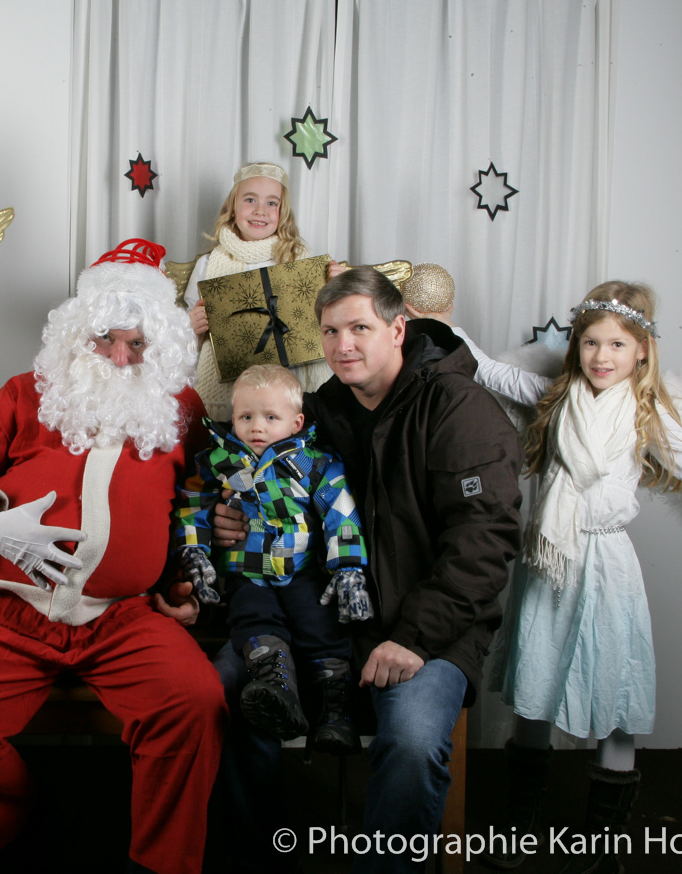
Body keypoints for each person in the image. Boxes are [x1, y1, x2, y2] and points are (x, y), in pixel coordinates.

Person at [427, 282, 682, 873]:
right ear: (576, 346)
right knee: (535, 690)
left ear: (642, 350)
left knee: (614, 699)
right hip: (549, 561)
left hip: (606, 566)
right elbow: (486, 369)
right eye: (590, 342)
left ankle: (602, 845)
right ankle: (521, 825)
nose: (601, 356)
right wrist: (435, 319)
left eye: (617, 344)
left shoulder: (648, 415)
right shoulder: (554, 397)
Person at [0, 239, 226, 874]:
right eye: (105, 339)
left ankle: (163, 864)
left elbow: (195, 500)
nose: (120, 357)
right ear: (79, 332)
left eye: (136, 344)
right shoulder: (24, 394)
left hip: (124, 615)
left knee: (194, 703)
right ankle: (31, 833)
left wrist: (179, 579)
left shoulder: (182, 410)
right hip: (10, 609)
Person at [211, 267, 525, 874]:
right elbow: (268, 488)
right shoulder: (320, 411)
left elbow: (485, 541)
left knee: (411, 740)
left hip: (428, 625)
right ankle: (252, 856)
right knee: (219, 693)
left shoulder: (460, 408)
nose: (343, 345)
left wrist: (414, 637)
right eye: (331, 331)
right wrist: (233, 519)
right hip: (322, 613)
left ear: (398, 328)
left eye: (360, 328)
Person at [174, 363, 369, 753]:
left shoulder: (313, 463)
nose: (257, 428)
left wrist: (348, 569)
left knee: (320, 627)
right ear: (233, 417)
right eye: (246, 417)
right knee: (251, 620)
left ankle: (334, 713)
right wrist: (194, 550)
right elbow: (192, 505)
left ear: (296, 423)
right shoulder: (219, 462)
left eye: (270, 418)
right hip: (248, 574)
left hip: (302, 572)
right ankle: (275, 690)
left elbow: (341, 513)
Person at [185, 162, 345, 421]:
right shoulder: (209, 264)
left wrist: (338, 289)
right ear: (233, 206)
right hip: (232, 393)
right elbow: (183, 335)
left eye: (272, 203)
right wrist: (192, 328)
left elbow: (329, 323)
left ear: (283, 212)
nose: (260, 210)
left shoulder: (301, 261)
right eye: (250, 200)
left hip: (288, 386)